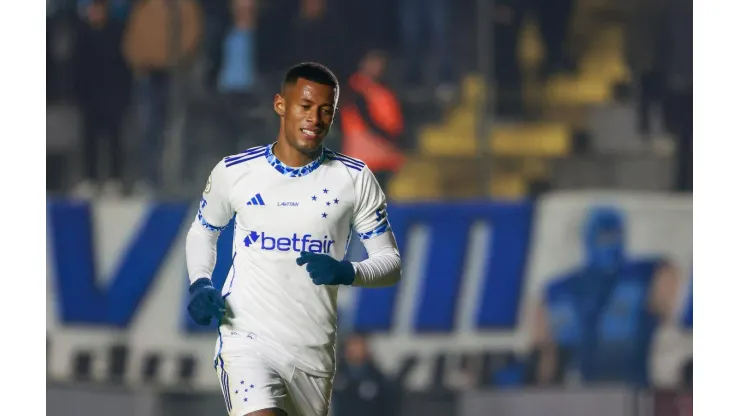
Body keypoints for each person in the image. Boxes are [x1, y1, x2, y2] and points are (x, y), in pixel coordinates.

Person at [184, 62, 403, 416]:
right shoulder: (234, 171)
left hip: (312, 354)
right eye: (305, 106)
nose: (315, 118)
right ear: (280, 105)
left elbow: (390, 263)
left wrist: (347, 272)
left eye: (325, 110)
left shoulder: (355, 179)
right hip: (247, 340)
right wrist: (200, 283)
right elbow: (203, 231)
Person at [531, 206, 679, 388]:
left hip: (630, 391)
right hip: (582, 394)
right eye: (603, 237)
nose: (608, 245)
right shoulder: (557, 291)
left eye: (611, 236)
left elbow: (670, 311)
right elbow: (544, 357)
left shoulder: (647, 273)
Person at [332, 333, 400, 416]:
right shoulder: (336, 375)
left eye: (358, 346)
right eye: (352, 346)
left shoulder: (376, 377)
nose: (355, 350)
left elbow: (387, 404)